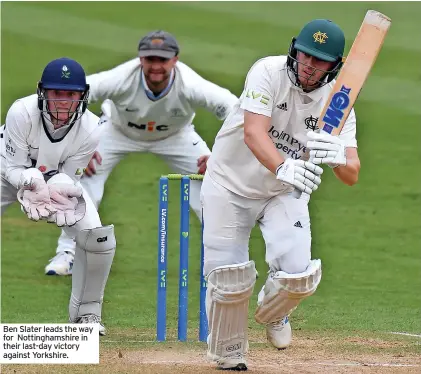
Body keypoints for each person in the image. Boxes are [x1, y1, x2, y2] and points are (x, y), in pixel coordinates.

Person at [201, 19, 361, 370]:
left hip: (283, 192)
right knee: (229, 279)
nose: (309, 66)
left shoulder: (338, 103)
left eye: (320, 61)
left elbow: (352, 173)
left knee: (298, 277)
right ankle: (229, 354)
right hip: (229, 184)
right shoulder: (267, 72)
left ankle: (275, 312)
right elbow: (254, 133)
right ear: (294, 50)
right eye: (306, 56)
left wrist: (338, 158)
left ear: (334, 66)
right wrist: (284, 166)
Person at [47, 30, 238, 276]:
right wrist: (78, 143)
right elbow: (73, 95)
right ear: (140, 59)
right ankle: (67, 254)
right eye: (150, 59)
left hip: (176, 136)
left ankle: (228, 261)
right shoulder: (121, 78)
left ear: (175, 60)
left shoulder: (190, 84)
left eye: (163, 60)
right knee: (83, 178)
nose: (156, 66)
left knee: (213, 185)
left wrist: (221, 155)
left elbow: (236, 111)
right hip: (117, 131)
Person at [1, 57, 116, 335]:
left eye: (71, 94)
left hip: (52, 178)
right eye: (56, 93)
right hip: (8, 170)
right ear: (43, 92)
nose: (63, 101)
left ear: (82, 96)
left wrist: (58, 189)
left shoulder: (92, 127)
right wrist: (30, 180)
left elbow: (69, 175)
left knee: (97, 236)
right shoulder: (21, 112)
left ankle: (87, 315)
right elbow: (12, 167)